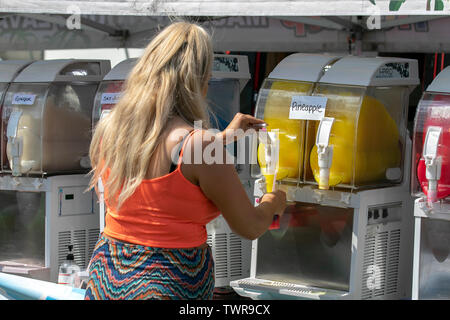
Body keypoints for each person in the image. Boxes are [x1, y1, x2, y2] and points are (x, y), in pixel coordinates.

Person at [84, 20, 287, 300]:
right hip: (167, 284)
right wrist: (271, 203)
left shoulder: (111, 130)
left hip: (106, 277)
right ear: (200, 82)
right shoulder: (199, 146)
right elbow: (249, 225)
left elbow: (162, 160)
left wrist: (223, 138)